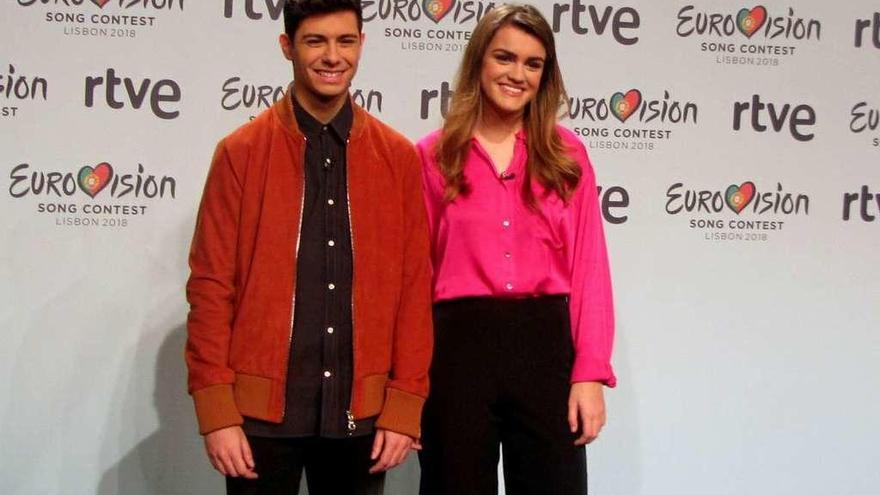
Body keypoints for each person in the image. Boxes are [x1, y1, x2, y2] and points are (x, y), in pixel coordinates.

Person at [184, 1, 433, 494]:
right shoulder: (241, 152)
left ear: (361, 45)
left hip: (361, 417)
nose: (331, 56)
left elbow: (413, 288)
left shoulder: (399, 158)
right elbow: (212, 287)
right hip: (258, 420)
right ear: (287, 47)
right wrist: (216, 412)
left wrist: (405, 405)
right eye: (315, 41)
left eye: (344, 41)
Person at [416, 5, 615, 495]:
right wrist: (408, 382)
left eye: (533, 63)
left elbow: (590, 269)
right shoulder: (434, 155)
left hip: (544, 348)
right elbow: (415, 275)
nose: (517, 74)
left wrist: (589, 373)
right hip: (457, 351)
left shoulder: (568, 156)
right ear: (479, 62)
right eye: (505, 58)